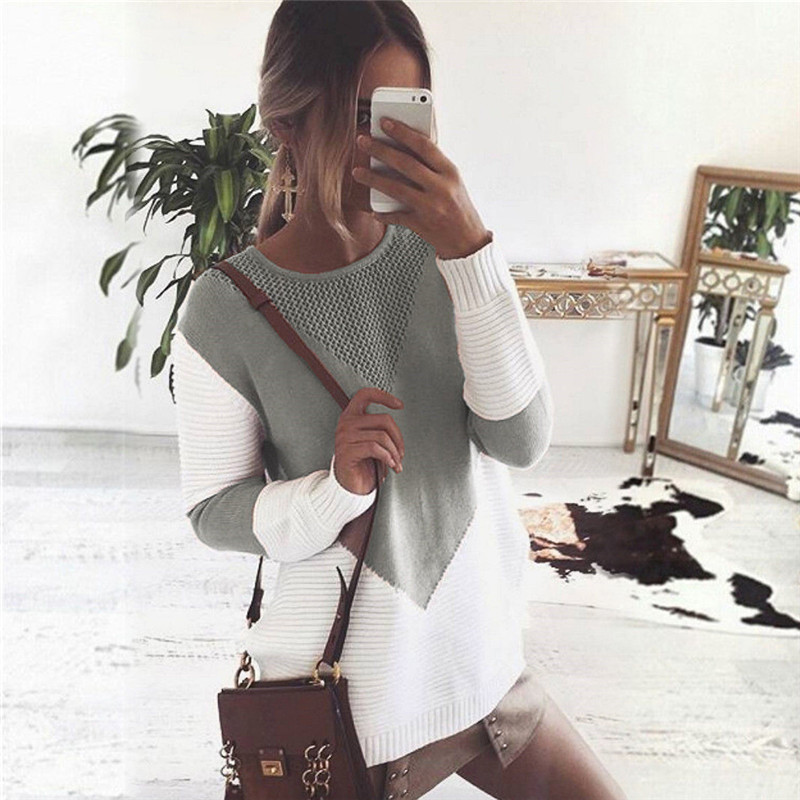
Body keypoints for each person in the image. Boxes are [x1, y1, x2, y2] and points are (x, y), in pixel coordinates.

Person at [173, 2, 627, 799]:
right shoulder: (226, 308)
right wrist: (333, 491)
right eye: (359, 115)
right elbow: (213, 511)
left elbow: (520, 439)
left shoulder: (449, 256)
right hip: (347, 705)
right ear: (285, 123)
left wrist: (471, 253)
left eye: (403, 110)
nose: (384, 142)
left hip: (481, 668)